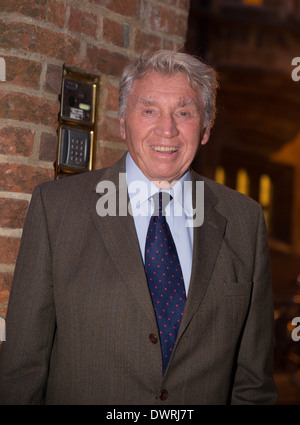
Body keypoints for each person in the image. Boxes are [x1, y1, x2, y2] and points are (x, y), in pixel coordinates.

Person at [0, 50, 278, 404]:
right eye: (149, 110)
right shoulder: (56, 209)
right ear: (122, 123)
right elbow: (22, 370)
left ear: (206, 128)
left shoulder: (245, 221)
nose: (167, 128)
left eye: (184, 112)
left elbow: (253, 385)